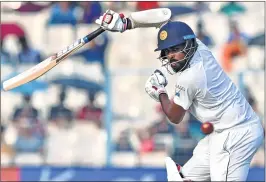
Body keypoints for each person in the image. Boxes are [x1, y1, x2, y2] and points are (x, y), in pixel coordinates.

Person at [95, 10, 264, 181]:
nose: (171, 56)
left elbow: (174, 116)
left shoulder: (192, 76)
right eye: (167, 51)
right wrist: (126, 23)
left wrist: (159, 91)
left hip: (237, 135)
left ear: (188, 44)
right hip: (221, 133)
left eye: (175, 49)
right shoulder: (199, 47)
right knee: (182, 178)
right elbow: (165, 16)